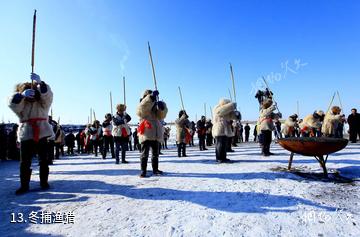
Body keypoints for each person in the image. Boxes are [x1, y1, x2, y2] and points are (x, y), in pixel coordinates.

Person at [8, 73, 54, 194]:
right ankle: (24, 185)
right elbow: (13, 104)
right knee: (25, 162)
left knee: (43, 160)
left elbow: (48, 96)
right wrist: (20, 95)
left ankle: (44, 182)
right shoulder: (22, 105)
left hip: (42, 132)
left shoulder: (43, 103)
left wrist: (41, 83)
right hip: (26, 133)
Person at [136, 89, 167, 177]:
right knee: (144, 154)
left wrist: (162, 108)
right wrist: (150, 98)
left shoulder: (155, 104)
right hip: (146, 131)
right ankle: (143, 170)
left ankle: (155, 169)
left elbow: (161, 116)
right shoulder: (142, 104)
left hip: (156, 131)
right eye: (149, 95)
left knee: (155, 153)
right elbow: (142, 109)